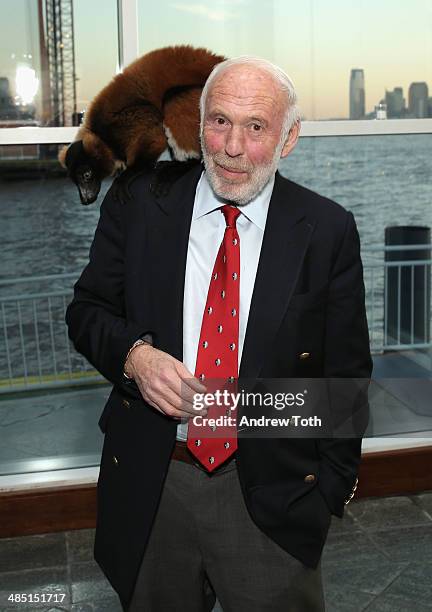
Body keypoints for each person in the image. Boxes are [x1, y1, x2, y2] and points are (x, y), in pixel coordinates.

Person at [65, 56, 372, 611]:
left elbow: (345, 387)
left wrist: (326, 494)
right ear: (195, 122)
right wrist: (135, 358)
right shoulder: (139, 204)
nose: (232, 147)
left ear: (289, 138)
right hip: (156, 490)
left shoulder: (327, 231)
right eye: (219, 121)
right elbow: (86, 310)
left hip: (272, 499)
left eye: (256, 127)